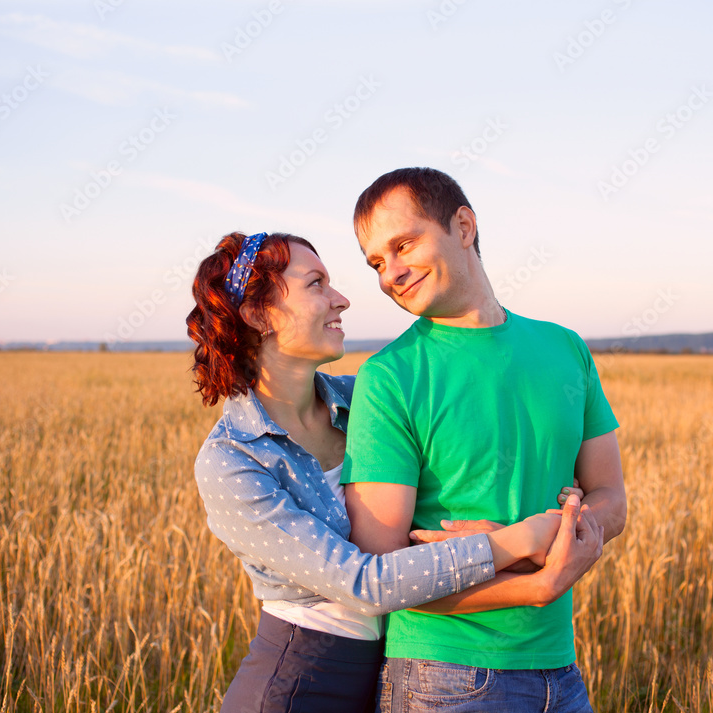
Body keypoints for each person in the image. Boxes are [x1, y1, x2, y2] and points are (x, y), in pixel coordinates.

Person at [187, 230, 599, 713]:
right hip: (297, 683)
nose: (341, 299)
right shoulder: (232, 459)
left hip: (392, 673)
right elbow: (364, 583)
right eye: (316, 284)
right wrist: (520, 543)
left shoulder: (363, 398)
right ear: (258, 314)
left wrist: (557, 496)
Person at [341, 167, 627, 712]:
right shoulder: (389, 377)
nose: (391, 274)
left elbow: (611, 499)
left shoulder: (566, 350)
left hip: (561, 671)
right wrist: (536, 569)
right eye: (377, 262)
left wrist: (553, 538)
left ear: (464, 226)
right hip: (443, 677)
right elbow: (384, 570)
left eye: (404, 245)